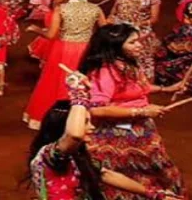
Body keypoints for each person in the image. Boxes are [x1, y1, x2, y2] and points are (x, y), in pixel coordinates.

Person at [27, 76, 182, 200]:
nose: (92, 127)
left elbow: (104, 174)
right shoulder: (49, 154)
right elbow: (74, 134)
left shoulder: (77, 154)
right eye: (86, 123)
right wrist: (78, 94)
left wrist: (154, 194)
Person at [80, 24, 187, 200]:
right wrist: (140, 112)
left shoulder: (126, 64)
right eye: (133, 42)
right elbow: (97, 109)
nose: (139, 45)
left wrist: (166, 89)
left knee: (153, 169)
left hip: (139, 129)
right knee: (126, 177)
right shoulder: (105, 71)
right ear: (116, 45)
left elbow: (136, 87)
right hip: (117, 135)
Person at [24, 0, 106, 129]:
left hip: (63, 50)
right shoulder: (96, 9)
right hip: (86, 50)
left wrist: (36, 30)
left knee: (56, 83)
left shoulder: (62, 9)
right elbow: (105, 30)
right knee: (84, 84)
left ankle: (54, 120)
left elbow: (51, 35)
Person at [108, 0, 162, 81]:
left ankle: (141, 81)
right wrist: (110, 19)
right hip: (120, 27)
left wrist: (138, 24)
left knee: (140, 56)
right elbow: (115, 8)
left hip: (139, 31)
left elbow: (154, 19)